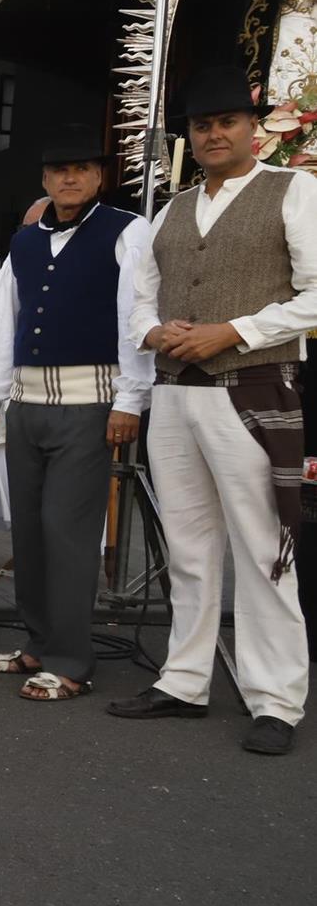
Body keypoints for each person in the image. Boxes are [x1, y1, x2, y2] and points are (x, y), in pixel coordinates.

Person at [111, 66, 317, 754]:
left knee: (263, 550)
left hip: (250, 390)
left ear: (251, 129)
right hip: (174, 395)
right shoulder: (168, 210)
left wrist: (231, 330)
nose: (212, 134)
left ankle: (275, 700)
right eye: (201, 126)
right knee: (189, 550)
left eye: (225, 122)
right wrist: (151, 332)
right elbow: (138, 298)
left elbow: (315, 294)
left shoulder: (294, 192)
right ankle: (183, 680)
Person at [0, 129, 151, 699]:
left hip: (89, 402)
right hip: (26, 403)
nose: (69, 179)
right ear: (44, 180)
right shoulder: (23, 241)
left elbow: (135, 317)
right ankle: (40, 641)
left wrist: (129, 400)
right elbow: (5, 322)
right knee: (29, 530)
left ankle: (71, 659)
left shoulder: (127, 230)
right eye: (58, 171)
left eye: (80, 169)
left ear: (99, 176)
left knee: (68, 532)